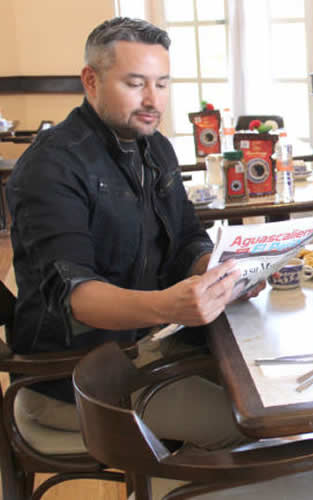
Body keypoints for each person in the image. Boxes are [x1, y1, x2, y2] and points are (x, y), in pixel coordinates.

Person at [6, 17, 260, 450]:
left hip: (146, 351)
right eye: (135, 83)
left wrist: (221, 271)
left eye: (161, 84)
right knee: (253, 423)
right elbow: (78, 297)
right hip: (76, 382)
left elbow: (185, 238)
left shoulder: (155, 147)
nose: (152, 100)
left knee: (269, 385)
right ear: (91, 80)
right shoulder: (51, 167)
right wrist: (169, 305)